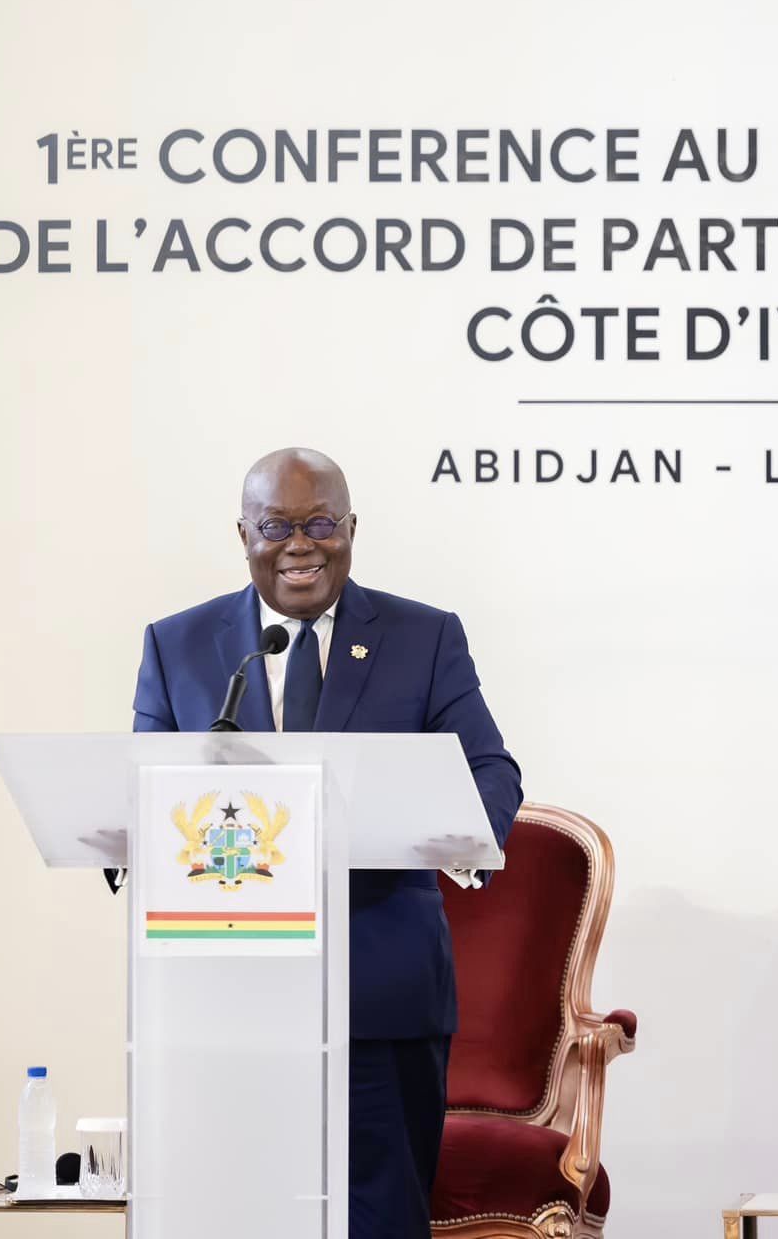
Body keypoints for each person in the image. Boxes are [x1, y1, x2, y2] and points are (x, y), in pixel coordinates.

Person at [133, 447, 523, 1238]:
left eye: (321, 524)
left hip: (379, 990)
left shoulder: (425, 637)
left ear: (352, 530)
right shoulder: (179, 644)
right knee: (231, 1216)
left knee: (379, 1217)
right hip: (223, 995)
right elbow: (145, 788)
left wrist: (455, 838)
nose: (299, 544)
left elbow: (492, 771)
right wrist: (126, 841)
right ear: (244, 531)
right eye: (277, 524)